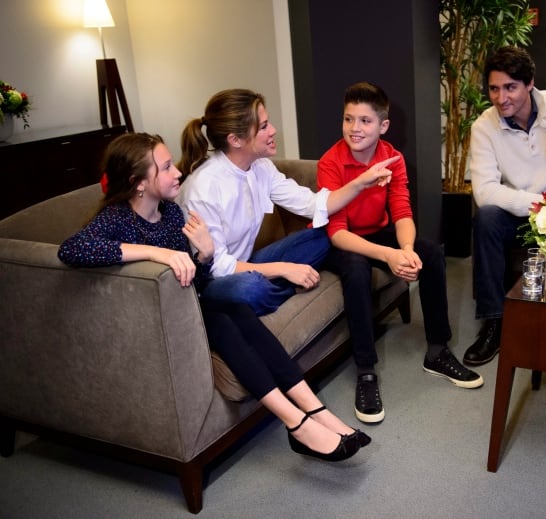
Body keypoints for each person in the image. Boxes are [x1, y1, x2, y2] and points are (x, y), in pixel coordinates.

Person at [58, 132, 368, 462]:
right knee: (226, 315)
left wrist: (203, 255)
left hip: (193, 304)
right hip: (158, 321)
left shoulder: (172, 214)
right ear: (138, 183)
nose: (177, 171)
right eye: (165, 168)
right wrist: (156, 253)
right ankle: (298, 423)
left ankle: (315, 412)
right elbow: (73, 248)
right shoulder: (116, 218)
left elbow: (197, 278)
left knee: (236, 314)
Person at [317, 81, 483, 425]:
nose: (355, 129)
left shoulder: (393, 158)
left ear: (383, 126)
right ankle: (366, 370)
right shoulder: (330, 162)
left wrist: (405, 251)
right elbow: (337, 233)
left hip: (379, 230)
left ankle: (438, 350)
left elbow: (402, 211)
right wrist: (388, 255)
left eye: (365, 121)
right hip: (344, 241)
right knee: (357, 270)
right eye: (349, 119)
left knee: (431, 253)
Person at [176, 89, 392, 316]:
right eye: (264, 126)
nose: (273, 130)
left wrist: (360, 182)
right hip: (216, 280)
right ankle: (280, 287)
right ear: (235, 140)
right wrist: (284, 269)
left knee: (323, 234)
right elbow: (217, 267)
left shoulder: (261, 167)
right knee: (250, 288)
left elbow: (312, 204)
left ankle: (277, 286)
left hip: (248, 262)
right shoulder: (203, 188)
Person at [464, 46, 546, 367]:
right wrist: (540, 204)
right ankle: (494, 323)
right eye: (494, 88)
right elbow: (485, 192)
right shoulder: (483, 127)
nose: (502, 98)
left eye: (510, 87)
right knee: (486, 218)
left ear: (529, 84)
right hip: (523, 212)